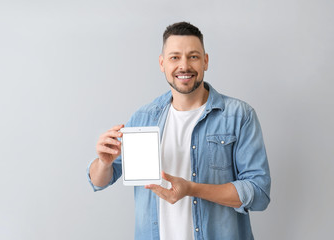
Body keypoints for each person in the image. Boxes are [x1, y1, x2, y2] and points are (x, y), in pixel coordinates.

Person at [87, 22, 271, 240]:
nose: (184, 66)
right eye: (175, 57)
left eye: (193, 56)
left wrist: (192, 189)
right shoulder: (144, 118)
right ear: (162, 63)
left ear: (206, 61)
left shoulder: (239, 116)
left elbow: (258, 193)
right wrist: (104, 162)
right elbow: (99, 181)